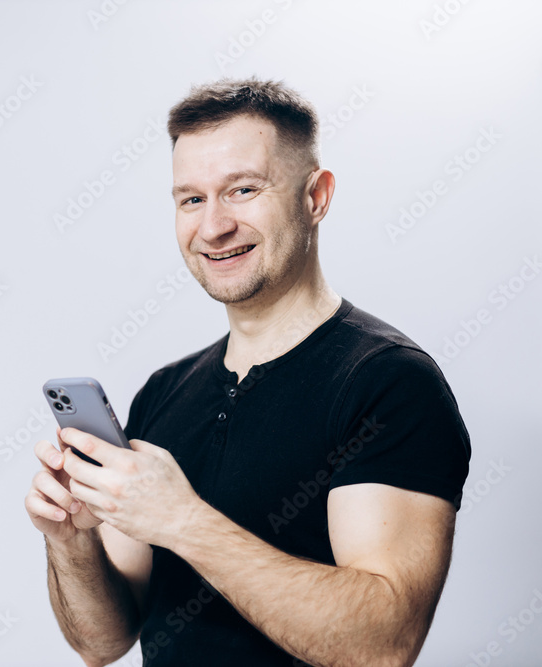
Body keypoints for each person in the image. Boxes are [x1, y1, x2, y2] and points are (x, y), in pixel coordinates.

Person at [24, 78, 471, 667]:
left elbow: (382, 646)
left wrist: (182, 521)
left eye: (242, 189)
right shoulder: (164, 393)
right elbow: (103, 642)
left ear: (316, 196)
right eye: (191, 199)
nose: (213, 226)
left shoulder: (389, 383)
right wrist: (71, 541)